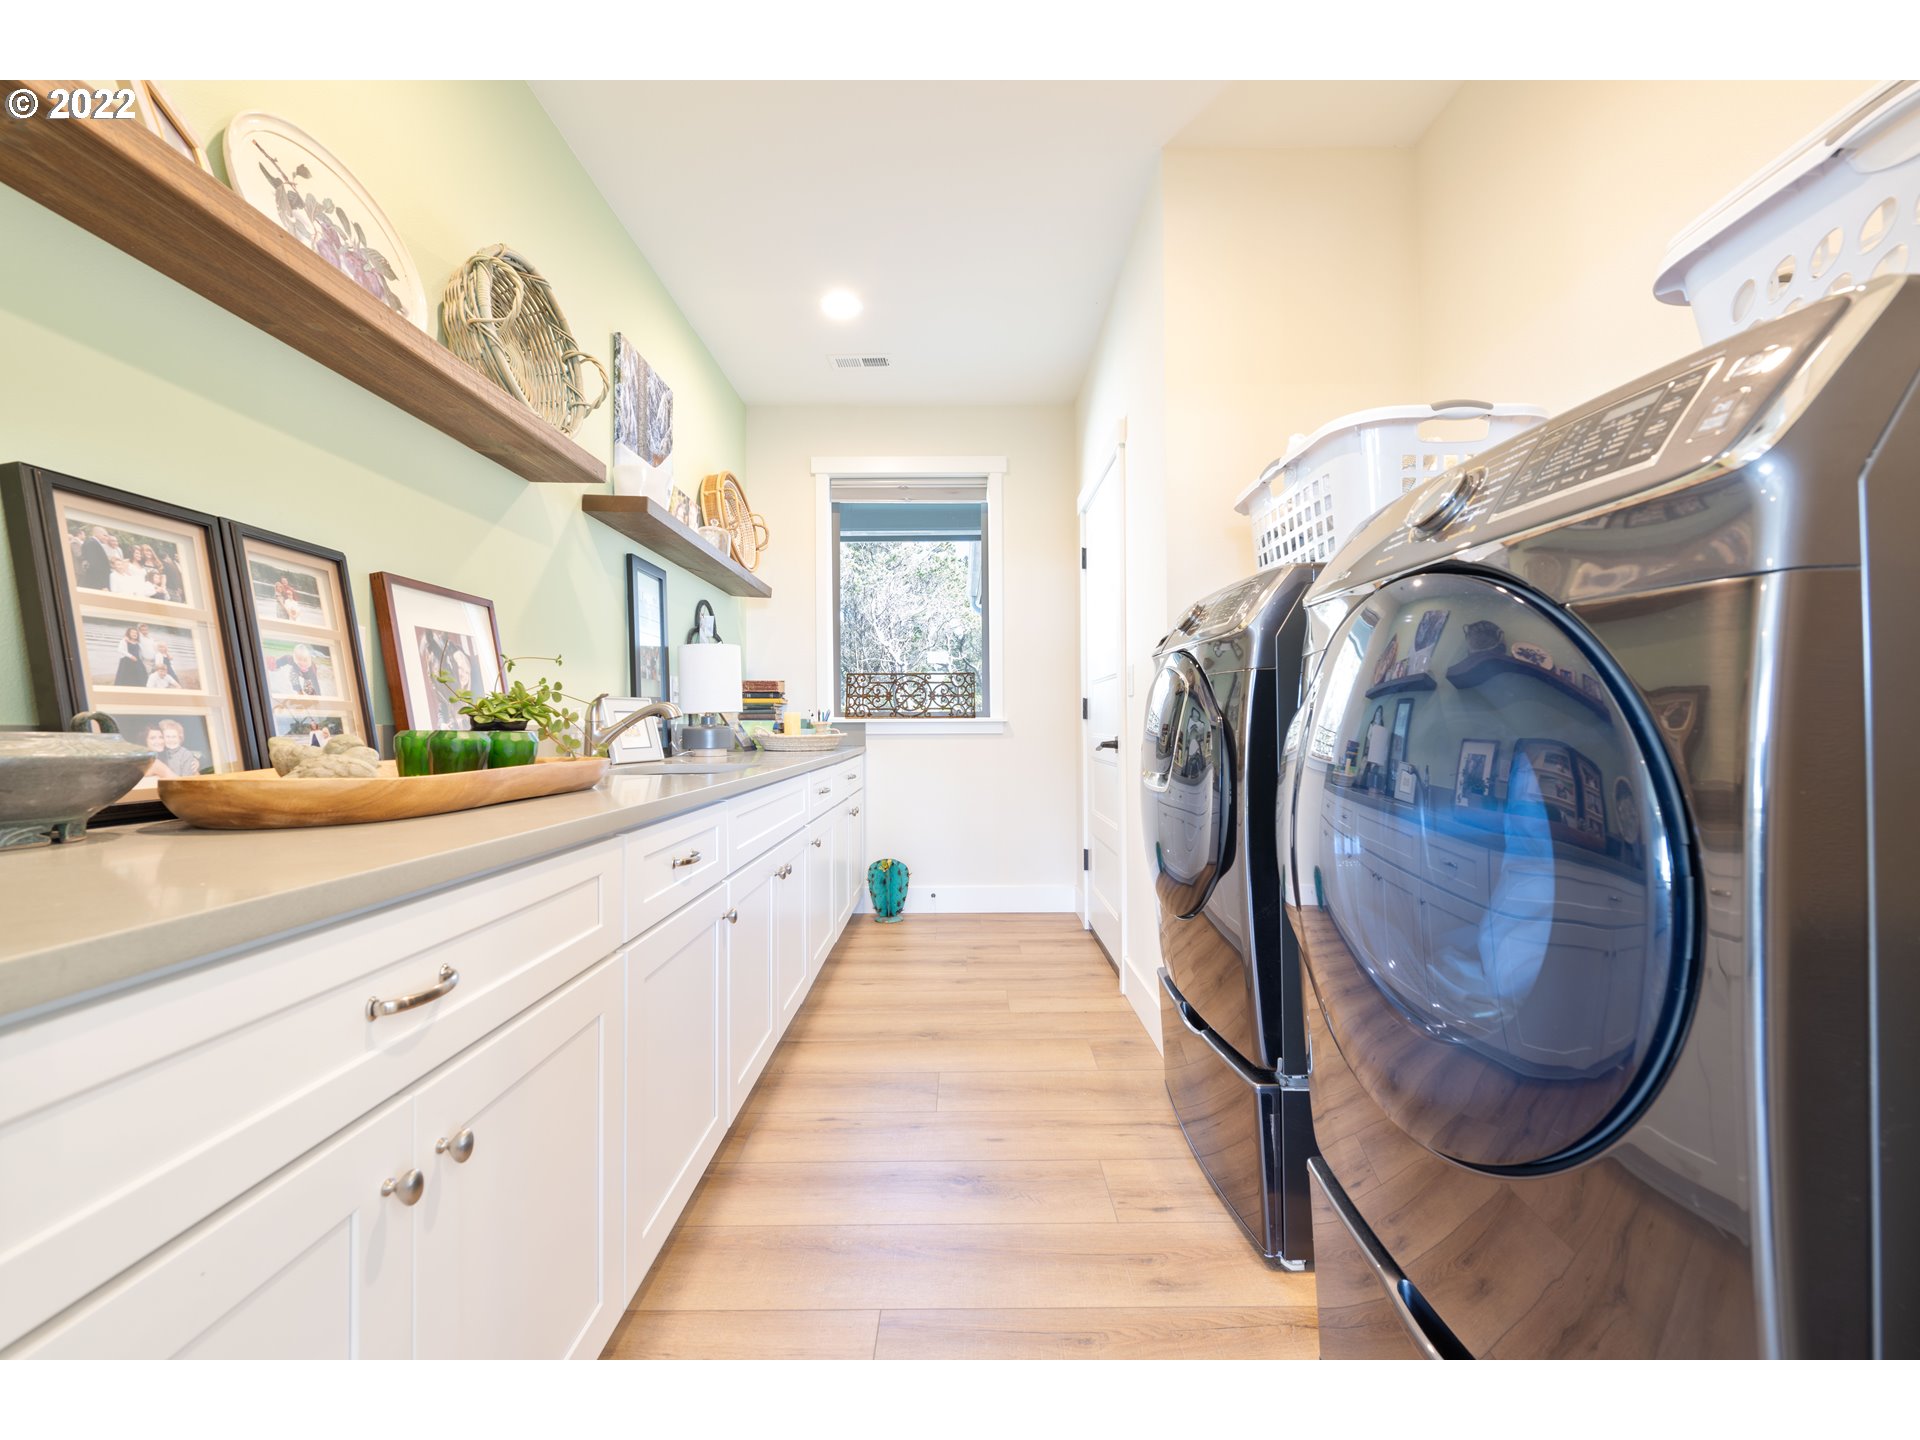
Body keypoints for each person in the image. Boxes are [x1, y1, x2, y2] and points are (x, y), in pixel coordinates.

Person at [76, 525, 112, 591]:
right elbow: (95, 565)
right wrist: (103, 585)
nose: (107, 538)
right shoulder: (91, 543)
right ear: (97, 534)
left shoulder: (94, 543)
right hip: (96, 583)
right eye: (105, 535)